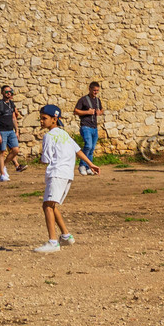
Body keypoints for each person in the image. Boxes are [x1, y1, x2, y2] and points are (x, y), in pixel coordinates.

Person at [34, 104, 99, 253]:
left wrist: (39, 159)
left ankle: (53, 242)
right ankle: (66, 236)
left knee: (47, 206)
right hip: (67, 175)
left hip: (57, 173)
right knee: (52, 204)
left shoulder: (49, 136)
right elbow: (78, 150)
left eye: (44, 118)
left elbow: (45, 159)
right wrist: (91, 164)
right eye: (41, 118)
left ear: (54, 119)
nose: (41, 121)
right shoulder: (64, 134)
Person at [0, 86, 22, 182]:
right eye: (7, 91)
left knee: (15, 150)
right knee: (1, 152)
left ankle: (3, 166)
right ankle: (2, 174)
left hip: (11, 131)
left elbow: (13, 118)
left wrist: (17, 130)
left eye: (10, 91)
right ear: (2, 92)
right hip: (2, 131)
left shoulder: (11, 104)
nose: (9, 93)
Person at [73, 81, 103, 175]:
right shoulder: (83, 100)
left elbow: (101, 110)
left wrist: (99, 112)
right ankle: (82, 165)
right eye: (94, 90)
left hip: (94, 127)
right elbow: (76, 111)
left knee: (92, 148)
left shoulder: (98, 100)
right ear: (89, 89)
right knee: (88, 146)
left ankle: (89, 167)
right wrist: (87, 112)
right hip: (85, 126)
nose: (95, 92)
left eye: (97, 90)